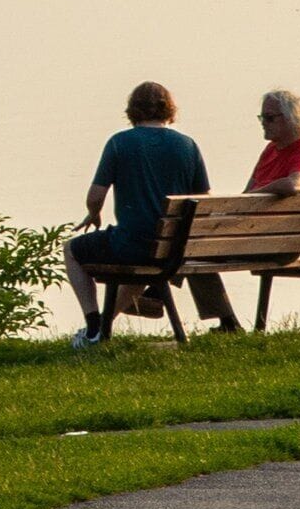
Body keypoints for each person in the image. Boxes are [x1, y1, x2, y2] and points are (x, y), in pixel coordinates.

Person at [68, 80, 227, 344]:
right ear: (169, 110)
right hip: (171, 249)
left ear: (132, 110)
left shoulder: (119, 143)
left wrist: (93, 214)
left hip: (131, 244)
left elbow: (95, 195)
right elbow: (203, 199)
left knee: (71, 251)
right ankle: (103, 329)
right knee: (145, 263)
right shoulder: (188, 145)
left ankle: (95, 324)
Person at [249, 87, 300, 201]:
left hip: (271, 219)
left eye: (269, 118)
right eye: (262, 118)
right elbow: (248, 190)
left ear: (291, 118)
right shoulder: (270, 149)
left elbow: (293, 185)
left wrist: (254, 195)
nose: (263, 123)